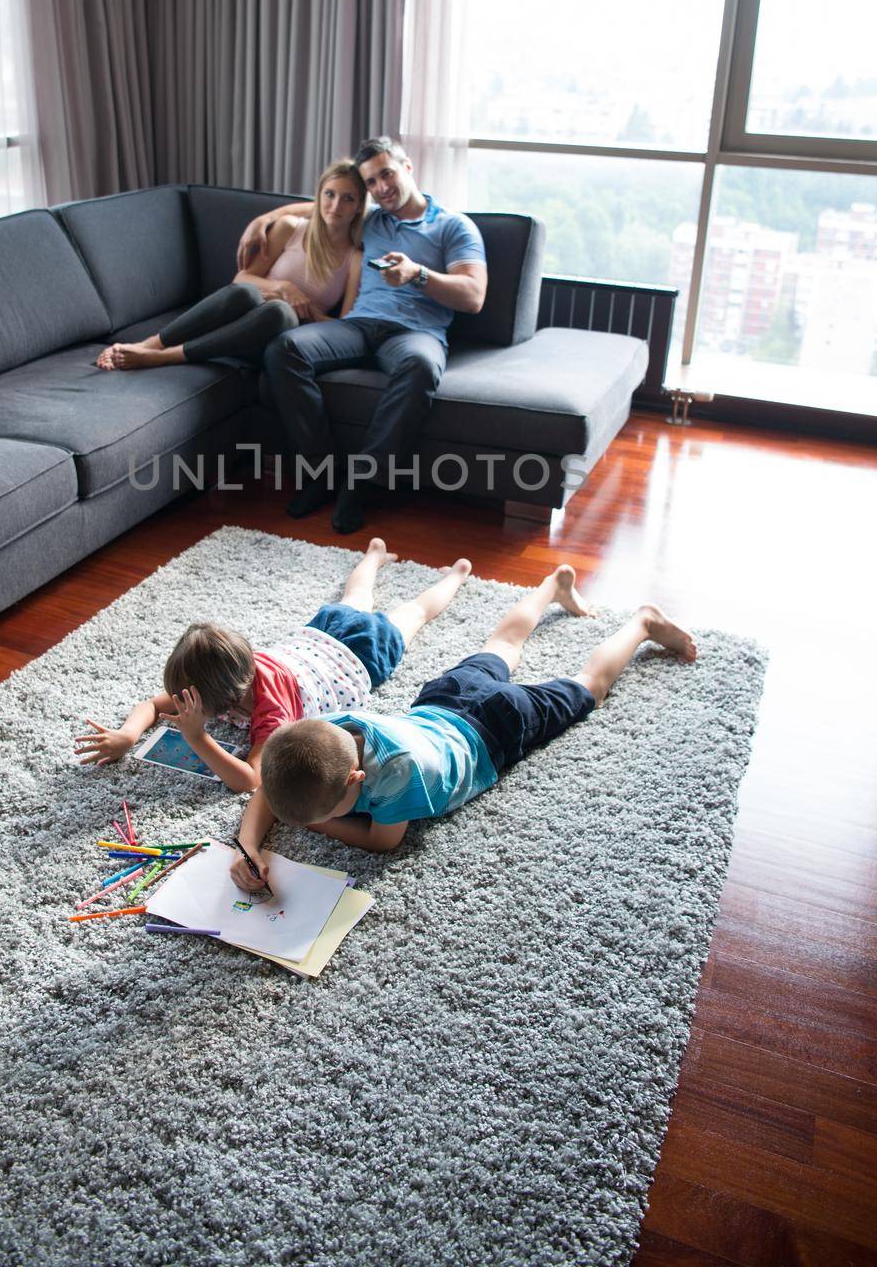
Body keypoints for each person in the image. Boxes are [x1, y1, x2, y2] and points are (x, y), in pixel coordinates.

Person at [229, 565, 697, 884]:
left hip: (498, 727)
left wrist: (315, 826)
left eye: (332, 810)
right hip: (443, 699)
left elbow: (381, 841)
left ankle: (643, 624)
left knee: (587, 687)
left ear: (357, 778)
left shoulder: (398, 777)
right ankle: (552, 585)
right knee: (503, 645)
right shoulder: (328, 730)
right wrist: (248, 845)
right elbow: (273, 786)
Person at [75, 538, 473, 793]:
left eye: (191, 701)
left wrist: (199, 738)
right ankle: (377, 554)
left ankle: (457, 574)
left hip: (358, 657)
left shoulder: (273, 714)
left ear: (225, 701)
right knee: (357, 594)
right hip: (317, 635)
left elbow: (249, 781)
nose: (182, 703)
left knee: (414, 613)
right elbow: (151, 705)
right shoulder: (228, 675)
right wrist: (128, 735)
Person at [236, 136, 488, 535]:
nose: (381, 187)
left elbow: (473, 296)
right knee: (284, 349)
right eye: (371, 182)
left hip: (414, 333)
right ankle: (321, 474)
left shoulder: (453, 226)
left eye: (386, 174)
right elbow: (316, 205)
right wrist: (259, 221)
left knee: (421, 366)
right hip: (356, 326)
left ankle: (362, 485)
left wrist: (417, 275)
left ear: (408, 168)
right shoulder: (369, 216)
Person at [95, 160, 367, 372]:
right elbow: (242, 278)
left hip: (277, 334)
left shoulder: (354, 258)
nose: (335, 205)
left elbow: (344, 326)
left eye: (348, 198)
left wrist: (303, 309)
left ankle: (164, 358)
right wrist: (283, 287)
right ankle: (148, 345)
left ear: (359, 207)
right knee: (245, 292)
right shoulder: (290, 229)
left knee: (280, 313)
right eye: (329, 194)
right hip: (241, 316)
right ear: (318, 197)